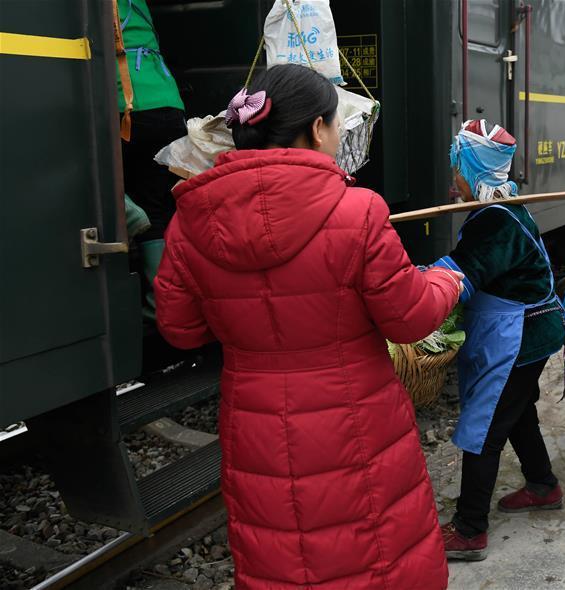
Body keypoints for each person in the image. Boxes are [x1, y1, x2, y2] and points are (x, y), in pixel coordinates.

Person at [154, 65, 464, 589]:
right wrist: (447, 283)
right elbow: (409, 318)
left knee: (282, 554)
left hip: (255, 423)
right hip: (357, 420)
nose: (340, 134)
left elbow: (181, 330)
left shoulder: (190, 220)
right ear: (317, 129)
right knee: (375, 552)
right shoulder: (359, 210)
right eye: (338, 123)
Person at [434, 120, 565, 561]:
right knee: (517, 413)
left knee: (483, 427)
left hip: (517, 337)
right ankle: (543, 485)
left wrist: (413, 282)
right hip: (529, 328)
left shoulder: (494, 219)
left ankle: (470, 528)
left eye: (457, 166)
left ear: (470, 168)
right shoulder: (509, 205)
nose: (453, 176)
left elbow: (460, 274)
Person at [115, 0, 187, 314]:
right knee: (158, 211)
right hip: (168, 105)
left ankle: (122, 205)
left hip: (124, 103)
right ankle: (161, 312)